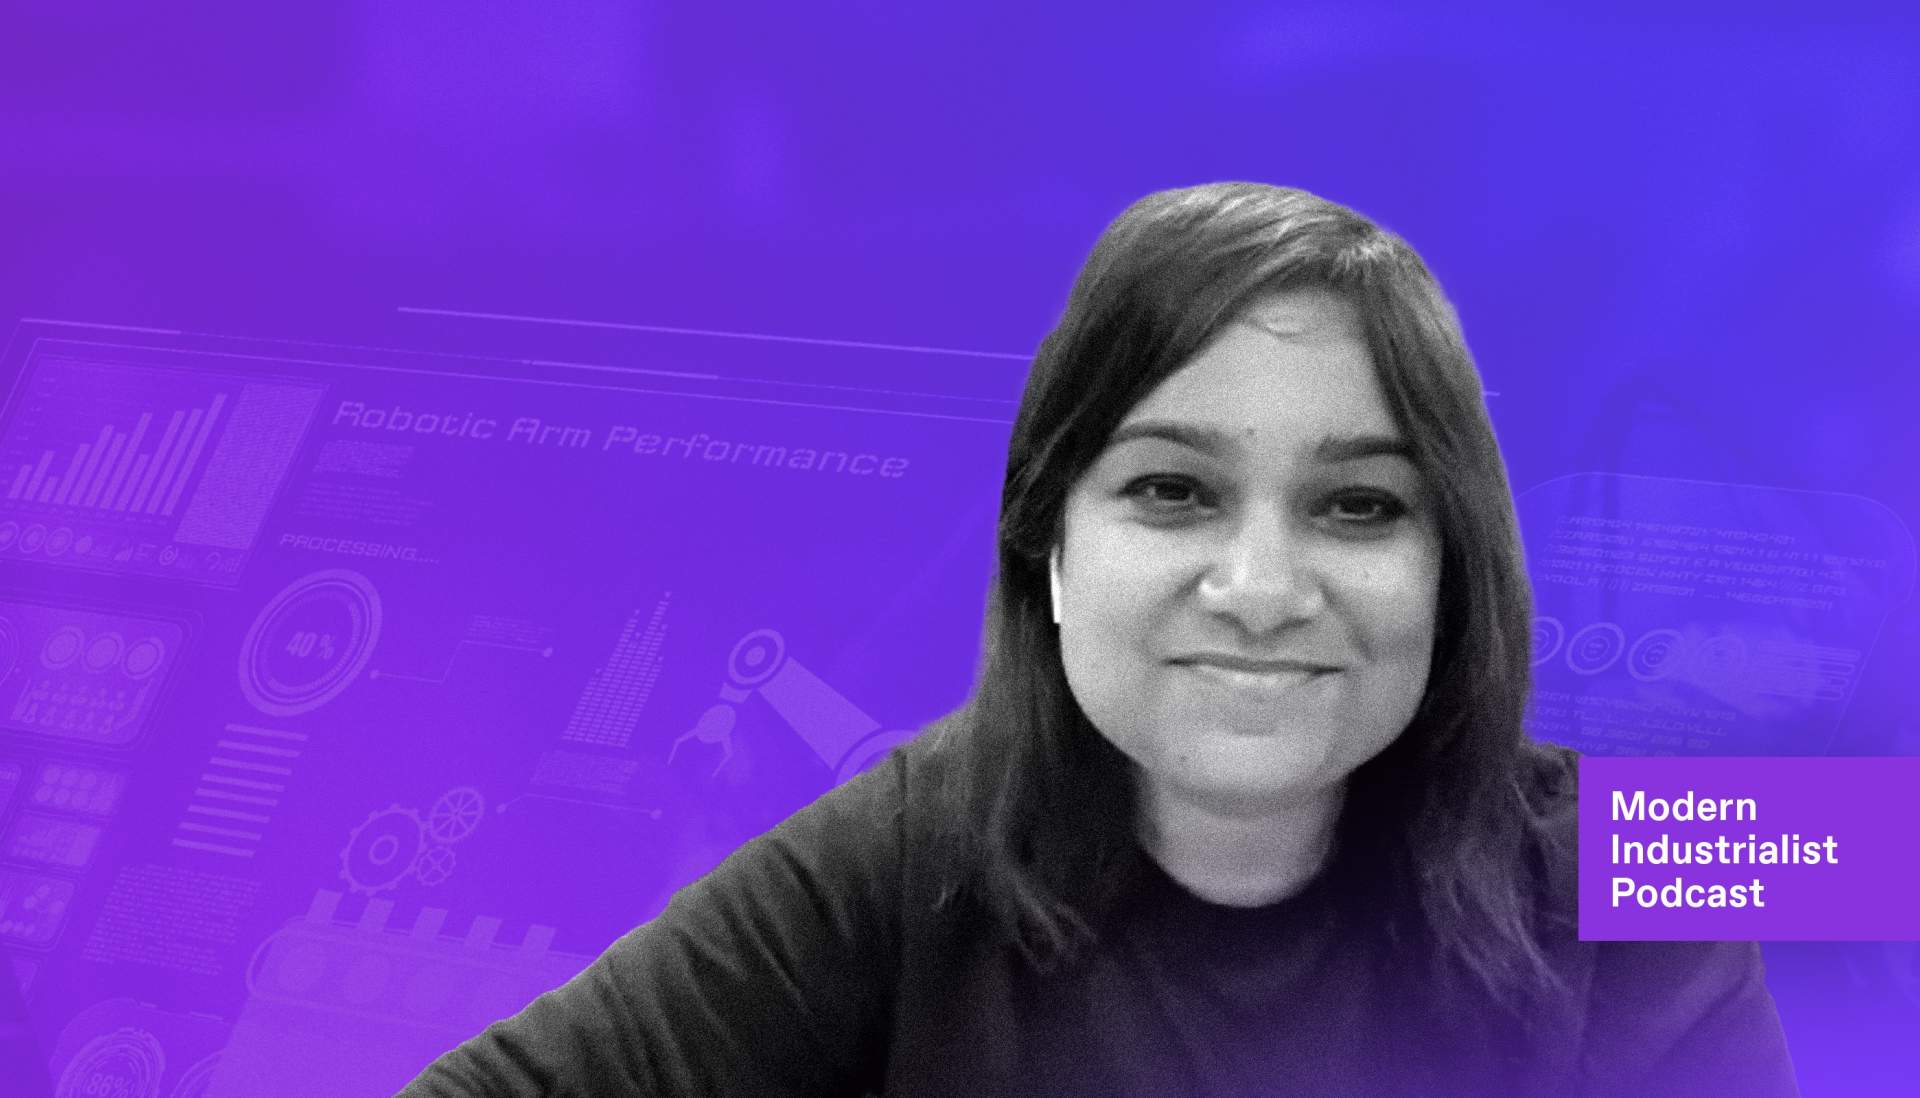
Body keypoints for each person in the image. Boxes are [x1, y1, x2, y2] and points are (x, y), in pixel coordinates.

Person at [400, 183, 1799, 1097]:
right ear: (1048, 553)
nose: (1260, 587)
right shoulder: (909, 851)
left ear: (1456, 573)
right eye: (1172, 491)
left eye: (1361, 505)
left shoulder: (1646, 860)